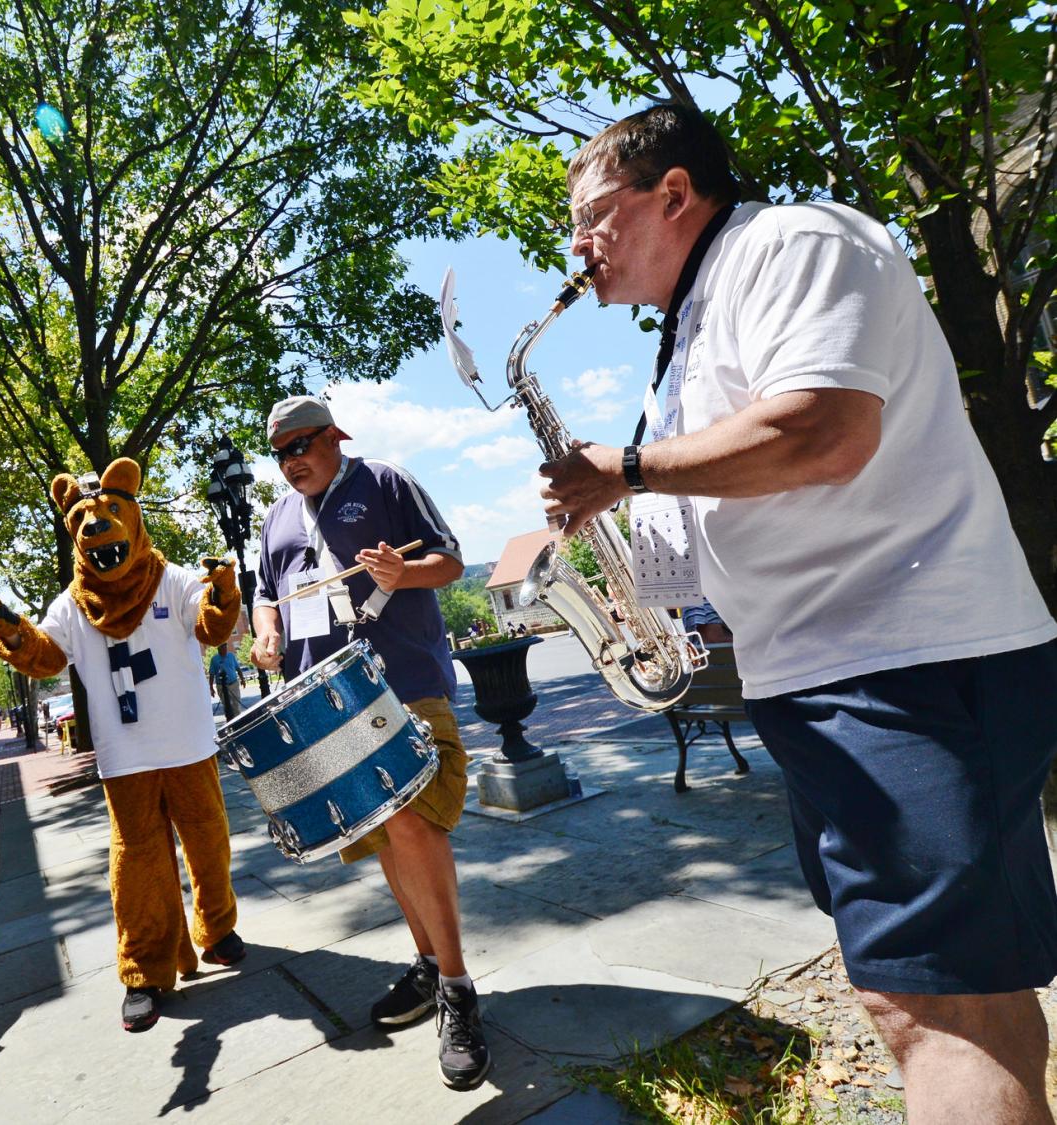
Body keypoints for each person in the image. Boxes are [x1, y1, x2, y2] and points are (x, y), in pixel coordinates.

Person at [537, 102, 1057, 1124]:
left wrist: (626, 468)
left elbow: (822, 434)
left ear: (673, 193)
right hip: (827, 678)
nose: (576, 247)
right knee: (963, 990)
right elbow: (704, 531)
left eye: (590, 215)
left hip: (904, 664)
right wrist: (622, 578)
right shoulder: (686, 332)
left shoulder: (794, 243)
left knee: (929, 1007)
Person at [0, 457, 247, 1033]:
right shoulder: (73, 603)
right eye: (87, 522)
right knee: (138, 863)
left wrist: (223, 589)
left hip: (189, 744)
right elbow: (43, 655)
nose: (99, 528)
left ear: (134, 518)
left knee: (209, 844)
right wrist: (6, 623)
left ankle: (215, 930)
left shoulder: (173, 578)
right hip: (127, 758)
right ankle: (144, 969)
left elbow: (212, 627)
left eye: (113, 514)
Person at [251, 395, 488, 1091]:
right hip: (324, 706)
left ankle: (457, 988)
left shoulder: (385, 482)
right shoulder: (276, 519)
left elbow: (449, 558)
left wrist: (402, 574)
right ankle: (427, 964)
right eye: (281, 452)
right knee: (386, 837)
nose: (292, 461)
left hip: (400, 684)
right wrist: (265, 630)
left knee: (415, 824)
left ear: (334, 436)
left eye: (302, 444)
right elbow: (267, 591)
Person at [208, 643, 243, 721]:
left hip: (233, 683)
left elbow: (238, 668)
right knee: (227, 705)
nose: (225, 649)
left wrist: (242, 679)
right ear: (218, 648)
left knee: (236, 704)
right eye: (223, 647)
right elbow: (212, 674)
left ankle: (238, 721)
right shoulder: (214, 659)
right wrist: (211, 688)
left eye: (225, 647)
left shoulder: (231, 656)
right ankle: (230, 721)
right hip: (221, 686)